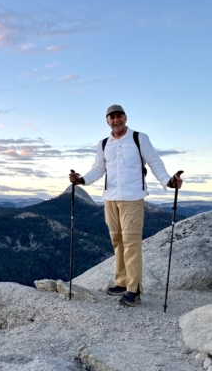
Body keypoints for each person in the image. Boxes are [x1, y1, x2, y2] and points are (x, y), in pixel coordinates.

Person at [69, 104, 183, 307]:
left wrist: (168, 181)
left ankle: (134, 290)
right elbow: (98, 168)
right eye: (111, 117)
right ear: (107, 121)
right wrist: (81, 180)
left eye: (119, 116)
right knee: (117, 241)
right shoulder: (104, 144)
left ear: (125, 117)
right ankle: (121, 282)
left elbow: (155, 163)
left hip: (132, 199)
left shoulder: (139, 138)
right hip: (110, 198)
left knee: (131, 243)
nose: (116, 120)